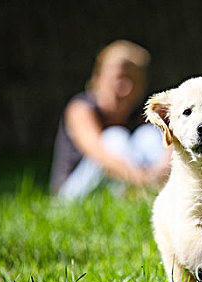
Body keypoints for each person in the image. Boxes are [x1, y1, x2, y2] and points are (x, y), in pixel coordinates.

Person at [49, 40, 170, 200]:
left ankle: (163, 193)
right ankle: (148, 193)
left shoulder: (141, 111)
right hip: (73, 194)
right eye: (118, 79)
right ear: (99, 78)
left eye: (133, 80)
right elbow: (99, 154)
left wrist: (160, 171)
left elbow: (171, 146)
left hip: (131, 185)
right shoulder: (81, 109)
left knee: (148, 135)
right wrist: (142, 180)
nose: (124, 88)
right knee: (114, 137)